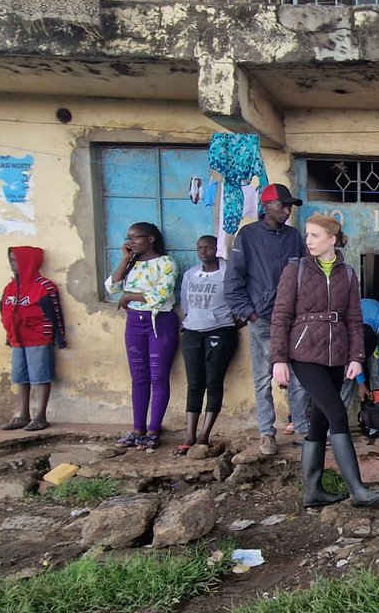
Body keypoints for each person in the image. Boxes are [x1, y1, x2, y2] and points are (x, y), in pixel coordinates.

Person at [270, 213, 379, 508]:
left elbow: (355, 319)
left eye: (315, 236)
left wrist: (357, 357)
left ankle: (313, 491)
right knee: (336, 414)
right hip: (303, 352)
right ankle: (357, 488)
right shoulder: (294, 270)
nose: (308, 241)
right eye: (307, 235)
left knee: (320, 422)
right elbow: (281, 316)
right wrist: (279, 359)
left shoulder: (347, 274)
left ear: (332, 239)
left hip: (337, 353)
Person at [224, 183, 309, 457]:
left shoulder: (294, 237)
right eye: (281, 205)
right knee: (264, 378)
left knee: (298, 376)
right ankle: (267, 433)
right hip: (261, 319)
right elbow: (233, 281)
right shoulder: (247, 236)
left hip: (293, 319)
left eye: (289, 207)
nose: (286, 211)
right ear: (266, 206)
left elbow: (306, 276)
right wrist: (250, 313)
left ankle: (302, 427)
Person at [105, 221, 179, 451]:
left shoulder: (166, 263)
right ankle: (137, 429)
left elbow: (162, 295)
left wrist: (129, 297)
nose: (131, 242)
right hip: (135, 323)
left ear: (151, 238)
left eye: (136, 237)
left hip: (160, 323)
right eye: (128, 238)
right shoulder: (132, 264)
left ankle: (153, 430)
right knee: (139, 378)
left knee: (158, 377)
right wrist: (125, 260)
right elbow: (111, 288)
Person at [177, 234, 239, 454]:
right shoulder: (190, 274)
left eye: (208, 248)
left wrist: (230, 322)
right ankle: (190, 435)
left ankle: (205, 435)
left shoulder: (227, 273)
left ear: (217, 249)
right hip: (192, 331)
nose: (203, 252)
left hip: (220, 331)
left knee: (213, 381)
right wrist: (190, 320)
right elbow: (184, 302)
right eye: (199, 248)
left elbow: (238, 298)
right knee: (194, 383)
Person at [0, 245, 67, 432]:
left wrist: (59, 337)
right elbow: (3, 310)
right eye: (11, 260)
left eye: (17, 260)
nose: (13, 265)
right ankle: (23, 415)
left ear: (29, 261)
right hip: (16, 340)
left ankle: (40, 416)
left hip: (38, 338)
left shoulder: (44, 287)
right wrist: (9, 335)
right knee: (20, 377)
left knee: (40, 377)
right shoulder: (10, 287)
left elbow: (56, 314)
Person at [340, 297, 379, 440]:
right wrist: (361, 383)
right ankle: (337, 425)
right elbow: (353, 360)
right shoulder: (347, 326)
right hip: (357, 335)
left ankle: (376, 422)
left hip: (373, 322)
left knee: (377, 378)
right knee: (347, 377)